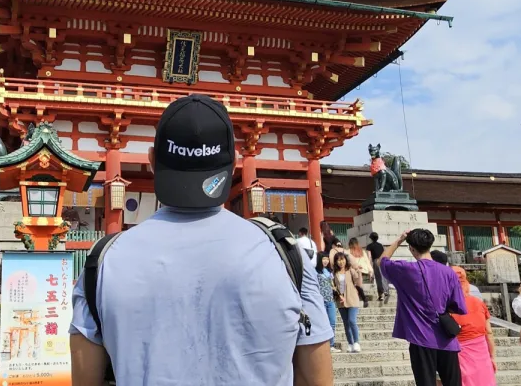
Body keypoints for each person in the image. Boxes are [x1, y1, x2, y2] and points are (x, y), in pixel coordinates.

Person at [69, 94, 334, 386]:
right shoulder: (286, 256)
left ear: (153, 161)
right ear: (233, 164)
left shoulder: (102, 262)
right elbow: (315, 380)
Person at [377, 229, 467, 386]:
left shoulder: (405, 270)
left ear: (411, 248)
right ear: (430, 245)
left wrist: (400, 239)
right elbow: (458, 305)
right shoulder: (448, 272)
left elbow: (382, 261)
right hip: (447, 338)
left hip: (420, 338)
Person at [449, 266, 497, 386]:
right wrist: (492, 357)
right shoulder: (478, 302)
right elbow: (489, 332)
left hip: (460, 352)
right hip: (481, 351)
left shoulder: (447, 305)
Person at [333, 252, 362, 353]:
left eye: (342, 259)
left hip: (352, 298)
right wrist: (338, 296)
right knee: (346, 323)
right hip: (341, 301)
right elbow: (334, 287)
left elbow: (357, 280)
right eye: (339, 260)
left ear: (345, 260)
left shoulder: (350, 270)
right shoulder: (334, 273)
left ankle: (356, 342)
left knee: (352, 321)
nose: (341, 262)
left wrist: (358, 271)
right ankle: (350, 343)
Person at [316, 252, 341, 353]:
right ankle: (322, 345)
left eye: (327, 259)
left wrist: (338, 295)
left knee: (332, 323)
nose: (325, 261)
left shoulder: (329, 271)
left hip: (330, 300)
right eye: (323, 259)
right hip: (320, 301)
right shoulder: (315, 272)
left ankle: (331, 344)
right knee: (322, 324)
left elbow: (332, 285)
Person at [366, 232, 389, 301]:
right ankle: (386, 291)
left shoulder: (369, 246)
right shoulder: (381, 245)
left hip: (376, 261)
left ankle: (381, 294)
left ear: (371, 238)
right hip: (383, 261)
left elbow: (369, 256)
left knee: (378, 278)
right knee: (383, 276)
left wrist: (369, 265)